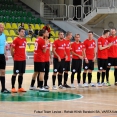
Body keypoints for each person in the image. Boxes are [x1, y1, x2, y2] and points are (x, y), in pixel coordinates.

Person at [10, 27, 27, 93]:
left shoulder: (25, 40)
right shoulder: (16, 40)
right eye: (22, 31)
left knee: (21, 73)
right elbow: (12, 48)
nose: (23, 33)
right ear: (19, 32)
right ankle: (13, 87)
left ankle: (20, 87)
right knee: (15, 73)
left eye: (24, 32)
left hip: (23, 59)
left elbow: (24, 49)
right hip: (17, 59)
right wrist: (13, 56)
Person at [0, 23, 10, 93]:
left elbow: (4, 46)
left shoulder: (4, 36)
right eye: (1, 27)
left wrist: (6, 54)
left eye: (3, 27)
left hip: (2, 56)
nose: (2, 28)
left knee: (3, 72)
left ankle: (3, 88)